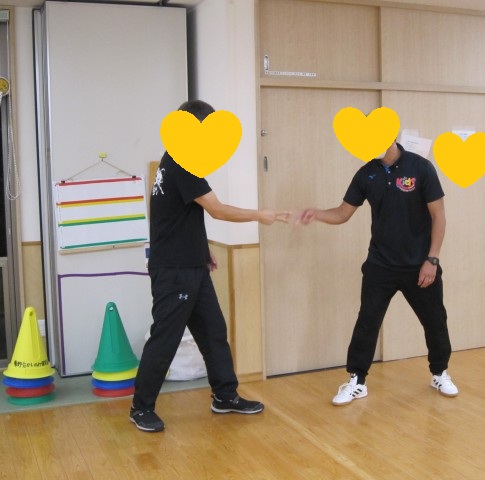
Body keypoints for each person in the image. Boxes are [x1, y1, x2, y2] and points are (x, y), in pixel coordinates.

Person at [130, 100, 290, 432]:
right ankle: (140, 407)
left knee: (213, 331)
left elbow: (183, 216)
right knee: (166, 338)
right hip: (175, 270)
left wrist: (203, 252)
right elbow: (216, 209)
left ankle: (225, 396)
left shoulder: (174, 160)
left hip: (193, 265)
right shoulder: (181, 162)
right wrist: (260, 215)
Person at [299, 140, 458, 405]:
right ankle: (357, 381)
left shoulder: (420, 167)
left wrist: (432, 259)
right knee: (367, 322)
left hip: (419, 264)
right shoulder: (366, 173)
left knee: (435, 320)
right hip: (380, 265)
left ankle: (440, 372)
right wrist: (315, 214)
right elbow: (342, 213)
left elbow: (438, 215)